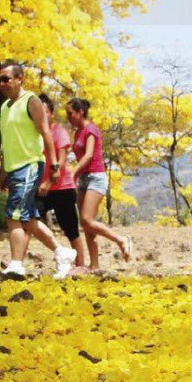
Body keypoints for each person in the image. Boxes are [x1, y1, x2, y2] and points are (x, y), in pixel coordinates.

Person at [0, 61, 76, 279]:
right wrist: (4, 171)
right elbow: (8, 141)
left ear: (20, 78)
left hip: (30, 164)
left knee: (13, 215)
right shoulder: (4, 107)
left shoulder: (31, 101)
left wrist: (55, 166)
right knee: (27, 218)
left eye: (6, 79)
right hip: (14, 168)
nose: (2, 83)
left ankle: (16, 265)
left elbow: (46, 134)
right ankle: (62, 253)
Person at [66, 98, 131, 273]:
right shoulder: (78, 132)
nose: (68, 117)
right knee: (86, 225)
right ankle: (94, 265)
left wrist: (73, 173)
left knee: (87, 219)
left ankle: (120, 240)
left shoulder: (90, 130)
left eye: (70, 113)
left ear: (80, 112)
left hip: (96, 177)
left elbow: (88, 156)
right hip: (84, 179)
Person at [32, 95, 85, 272]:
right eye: (38, 112)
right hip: (41, 189)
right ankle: (15, 263)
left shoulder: (58, 131)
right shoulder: (33, 134)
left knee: (71, 230)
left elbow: (61, 162)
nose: (41, 115)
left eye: (45, 112)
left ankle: (80, 267)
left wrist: (47, 182)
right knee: (28, 222)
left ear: (52, 114)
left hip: (62, 188)